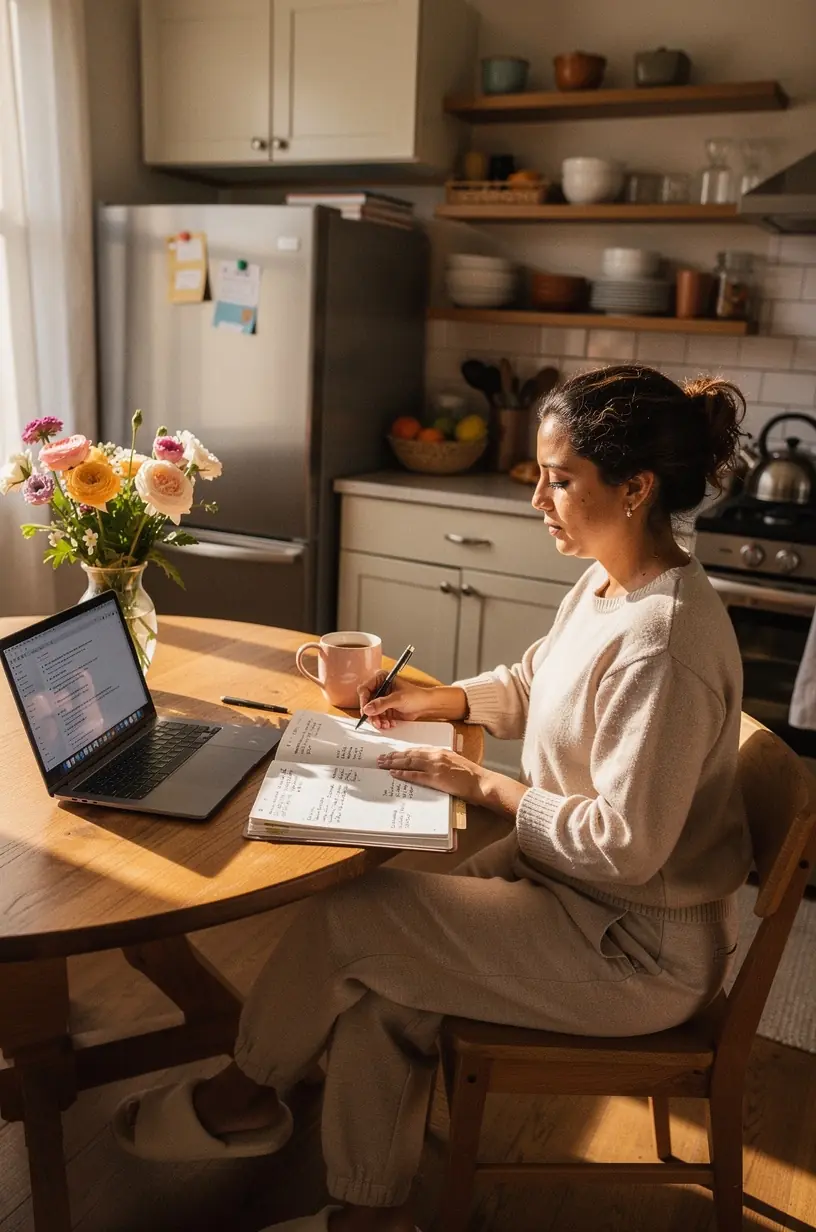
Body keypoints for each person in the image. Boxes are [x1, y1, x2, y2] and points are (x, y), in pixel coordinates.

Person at [112, 365, 753, 1232]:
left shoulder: (663, 643)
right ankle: (370, 1213)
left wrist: (481, 782)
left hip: (637, 949)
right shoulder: (611, 582)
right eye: (540, 476)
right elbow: (535, 681)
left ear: (635, 488)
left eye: (560, 481)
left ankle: (243, 1093)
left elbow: (624, 846)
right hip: (576, 895)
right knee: (386, 982)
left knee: (354, 917)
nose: (538, 500)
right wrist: (437, 701)